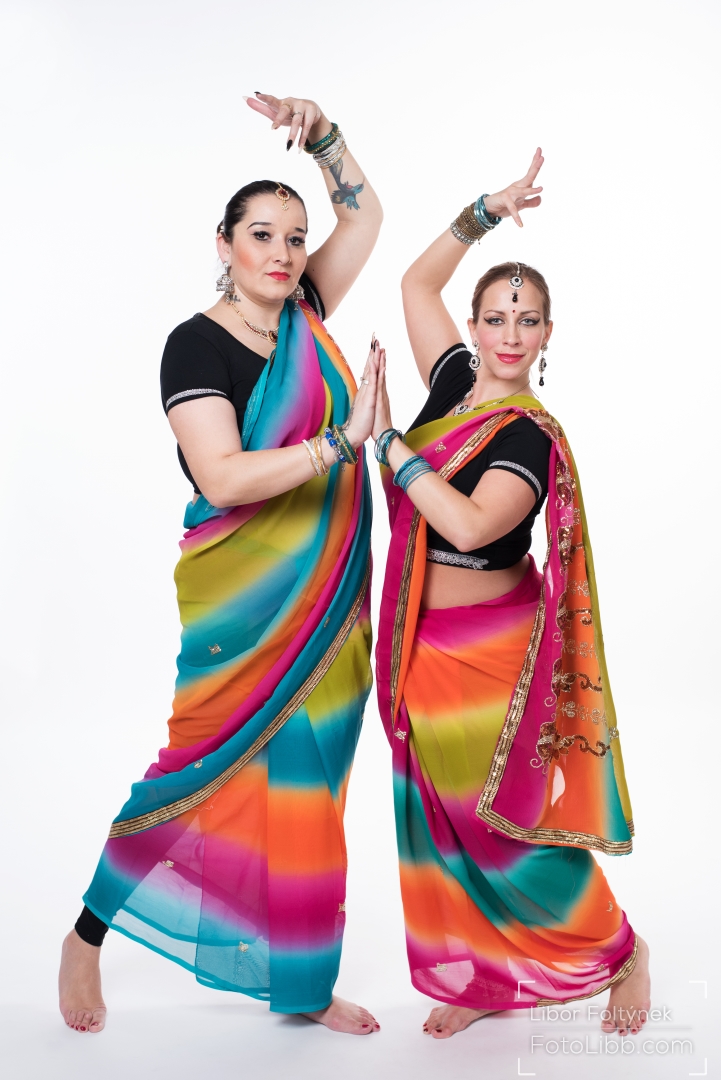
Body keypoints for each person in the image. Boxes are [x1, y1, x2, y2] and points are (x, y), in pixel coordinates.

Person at [58, 93, 383, 1036]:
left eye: (295, 237)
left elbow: (365, 215)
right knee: (189, 771)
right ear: (224, 244)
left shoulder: (305, 312)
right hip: (244, 602)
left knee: (311, 788)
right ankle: (86, 934)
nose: (282, 253)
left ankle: (303, 985)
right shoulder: (194, 344)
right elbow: (225, 475)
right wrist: (342, 441)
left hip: (329, 602)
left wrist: (324, 136)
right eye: (261, 236)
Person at [372, 149, 651, 1039]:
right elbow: (415, 282)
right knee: (444, 822)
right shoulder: (453, 383)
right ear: (474, 324)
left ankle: (621, 950)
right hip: (420, 643)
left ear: (546, 335)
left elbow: (463, 525)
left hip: (494, 654)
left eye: (526, 321)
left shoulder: (527, 437)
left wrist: (387, 445)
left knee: (506, 826)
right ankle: (484, 977)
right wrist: (483, 212)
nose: (508, 334)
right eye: (494, 317)